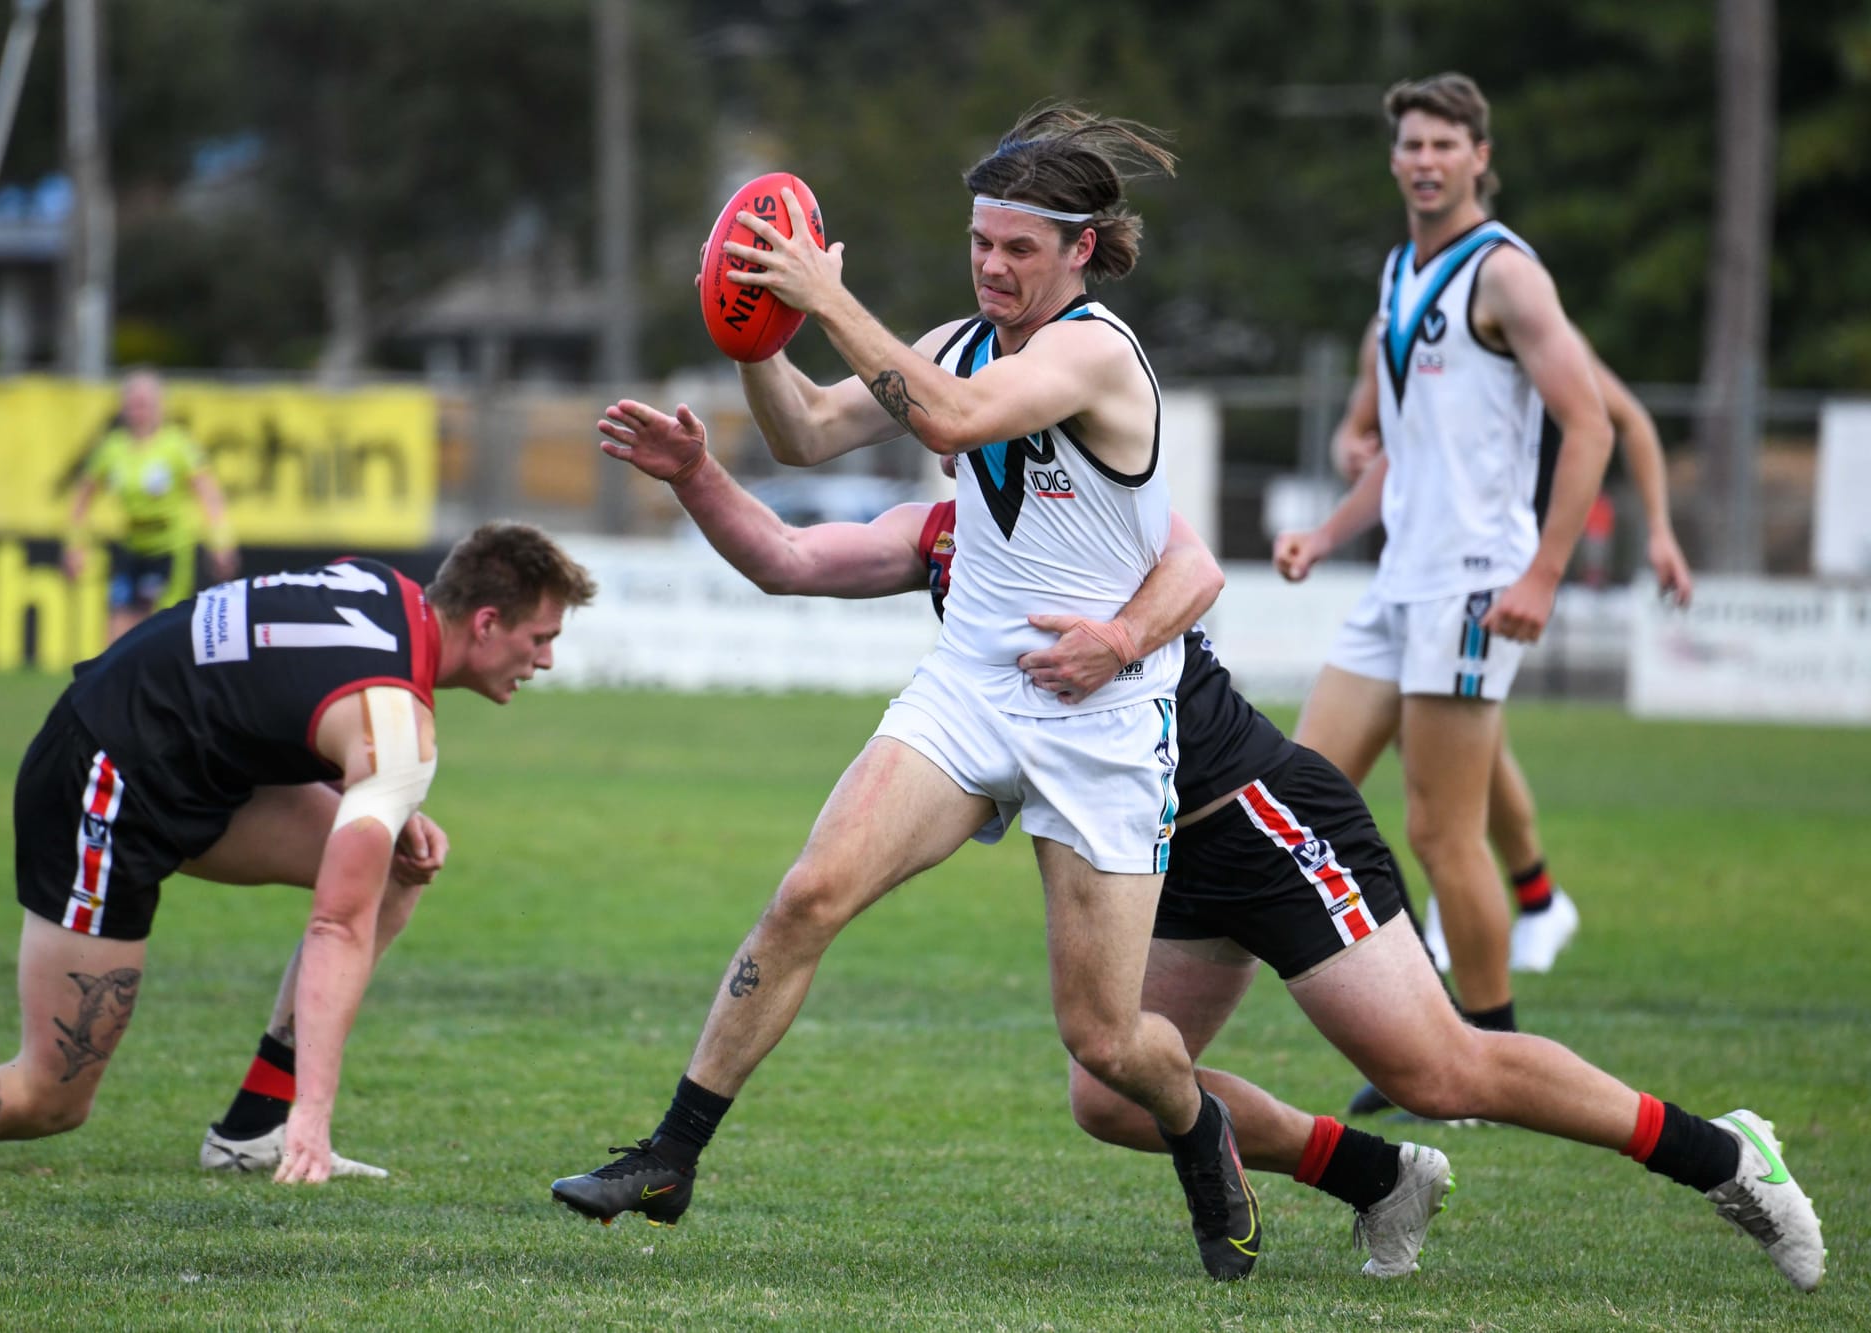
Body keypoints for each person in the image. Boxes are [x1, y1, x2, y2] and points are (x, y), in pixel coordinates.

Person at [597, 396, 1826, 1291]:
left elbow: (1191, 571)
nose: (950, 433)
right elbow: (787, 554)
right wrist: (695, 474)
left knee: (1439, 1069)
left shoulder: (1103, 500)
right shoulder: (942, 536)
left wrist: (1120, 639)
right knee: (1114, 1090)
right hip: (1139, 854)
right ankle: (1372, 1177)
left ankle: (1722, 1151)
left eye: (966, 415)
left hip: (1255, 820)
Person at [554, 107, 1268, 1282]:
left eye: (1018, 249)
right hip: (969, 688)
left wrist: (822, 295)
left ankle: (1199, 1132)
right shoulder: (964, 335)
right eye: (979, 242)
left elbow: (945, 418)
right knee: (805, 896)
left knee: (1103, 1039)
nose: (990, 265)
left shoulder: (1094, 353)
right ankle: (669, 1154)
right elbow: (803, 435)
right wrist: (754, 326)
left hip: (1098, 716)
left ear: (1081, 250)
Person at [0, 522, 596, 1184]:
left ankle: (252, 1130)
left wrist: (374, 793)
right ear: (487, 622)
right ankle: (286, 1122)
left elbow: (265, 683)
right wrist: (316, 1111)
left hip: (177, 762)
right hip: (106, 778)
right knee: (47, 1097)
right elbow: (335, 925)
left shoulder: (379, 586)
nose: (548, 659)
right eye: (541, 637)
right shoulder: (398, 731)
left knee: (394, 871)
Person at [1271, 72, 1614, 1053]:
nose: (1424, 161)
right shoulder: (1395, 273)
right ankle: (1419, 1026)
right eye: (1410, 145)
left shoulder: (1504, 274)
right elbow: (1404, 450)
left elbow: (1585, 423)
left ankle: (1490, 1051)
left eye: (1442, 146)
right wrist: (1327, 533)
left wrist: (1540, 573)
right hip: (1395, 581)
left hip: (1472, 580)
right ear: (1393, 160)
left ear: (1478, 159)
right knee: (1300, 797)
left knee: (1436, 833)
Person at [1329, 333, 1696, 987]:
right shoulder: (1396, 310)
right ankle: (1534, 903)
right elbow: (1363, 430)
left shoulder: (1515, 312)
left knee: (1442, 811)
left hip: (1478, 581)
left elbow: (1625, 420)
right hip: (1402, 579)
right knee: (1403, 777)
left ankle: (1470, 1006)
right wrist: (1347, 455)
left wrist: (1660, 531)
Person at [63, 369, 240, 646]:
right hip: (132, 547)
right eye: (132, 404)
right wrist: (75, 545)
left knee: (156, 628)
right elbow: (82, 500)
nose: (138, 411)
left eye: (144, 404)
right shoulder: (113, 449)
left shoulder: (177, 446)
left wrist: (220, 543)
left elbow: (209, 495)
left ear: (160, 407)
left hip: (170, 549)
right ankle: (119, 688)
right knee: (117, 630)